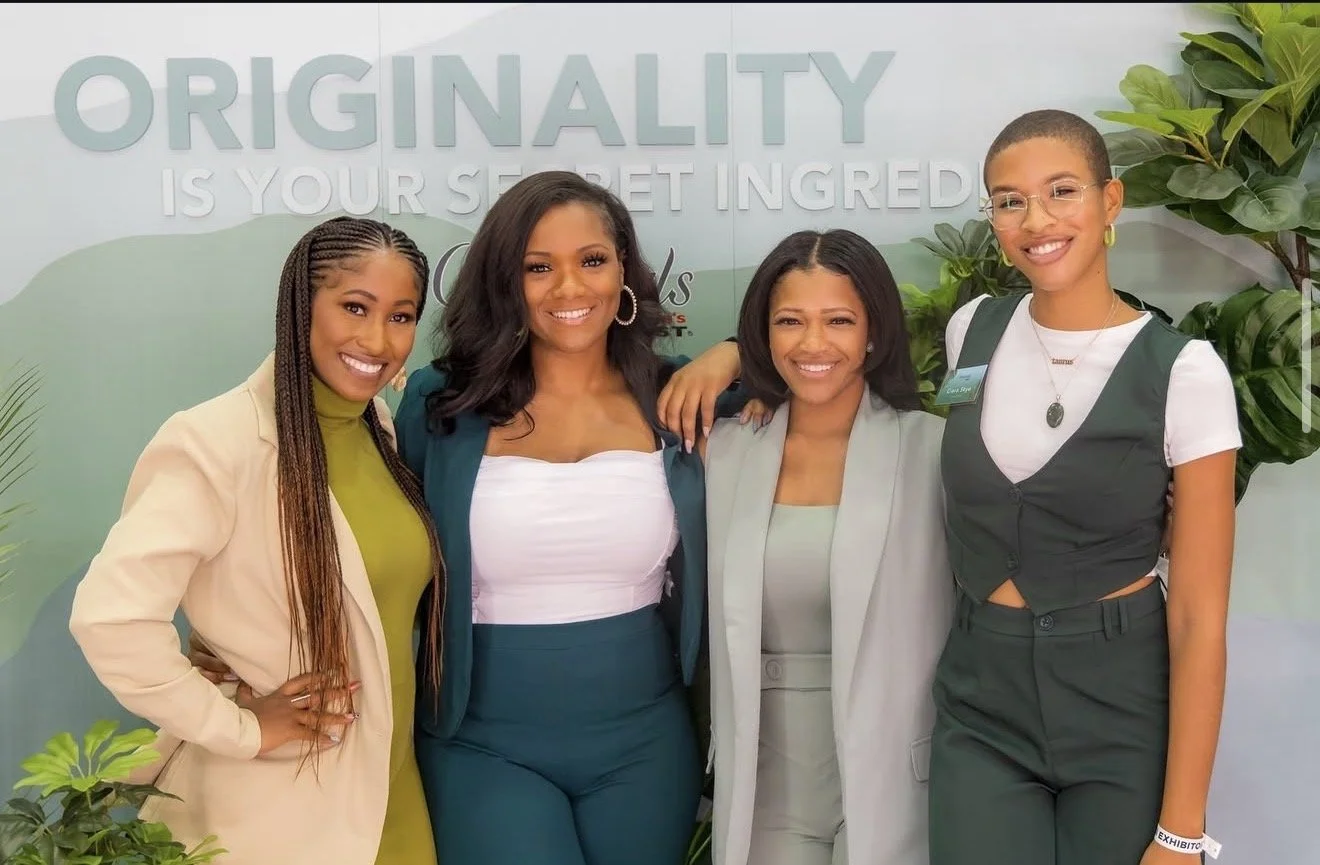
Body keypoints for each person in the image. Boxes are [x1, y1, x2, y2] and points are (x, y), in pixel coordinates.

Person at [391, 169, 746, 865]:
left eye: (592, 260)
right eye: (537, 267)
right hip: (481, 742)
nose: (570, 288)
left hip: (646, 746)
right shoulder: (441, 406)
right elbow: (374, 541)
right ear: (505, 282)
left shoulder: (675, 398)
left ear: (623, 272)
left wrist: (731, 356)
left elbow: (805, 367)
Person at [68, 216, 445, 865]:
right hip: (282, 810)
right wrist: (241, 727)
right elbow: (111, 618)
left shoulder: (378, 427)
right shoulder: (215, 441)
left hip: (393, 787)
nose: (378, 338)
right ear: (302, 306)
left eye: (401, 315)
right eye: (354, 307)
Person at [928, 109, 1241, 865]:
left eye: (1061, 190)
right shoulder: (971, 328)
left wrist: (1182, 831)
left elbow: (1199, 615)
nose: (1035, 219)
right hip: (980, 707)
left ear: (1110, 202)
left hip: (1119, 708)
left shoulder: (1186, 372)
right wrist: (738, 359)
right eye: (1009, 200)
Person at [704, 229, 954, 865]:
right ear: (762, 334)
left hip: (901, 778)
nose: (813, 344)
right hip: (768, 787)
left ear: (873, 332)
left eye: (838, 320)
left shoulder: (935, 451)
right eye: (790, 320)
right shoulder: (722, 454)